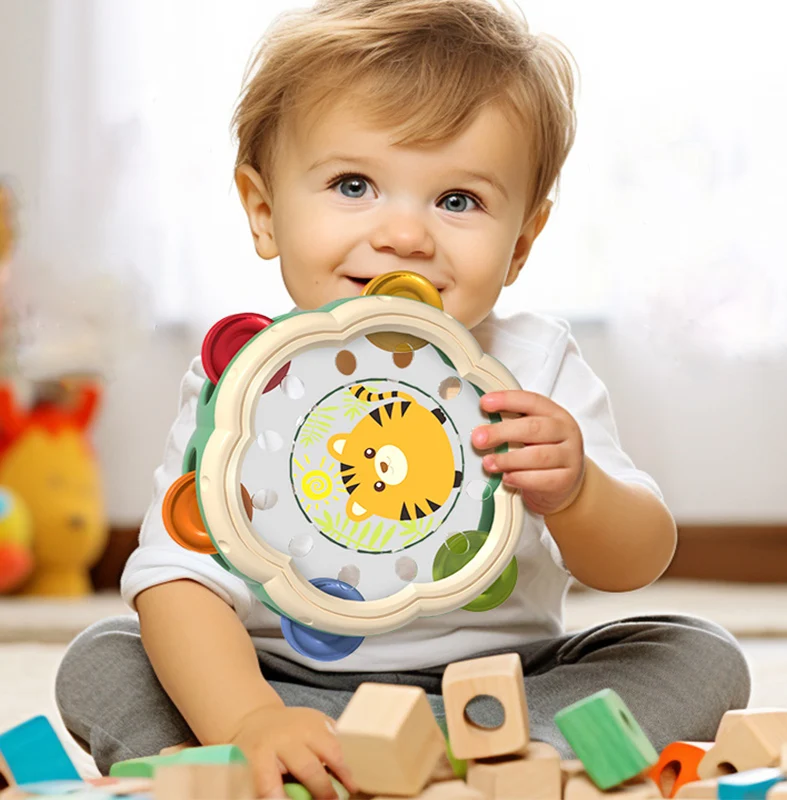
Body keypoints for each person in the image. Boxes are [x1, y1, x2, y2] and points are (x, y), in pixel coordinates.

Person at [55, 1, 751, 797]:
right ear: (263, 209)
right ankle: (252, 755)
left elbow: (637, 561)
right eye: (354, 185)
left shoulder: (532, 361)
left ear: (521, 242)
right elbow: (179, 579)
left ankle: (510, 760)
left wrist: (579, 489)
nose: (405, 236)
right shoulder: (248, 376)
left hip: (502, 689)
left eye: (458, 201)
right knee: (107, 656)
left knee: (698, 652)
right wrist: (246, 717)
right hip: (283, 681)